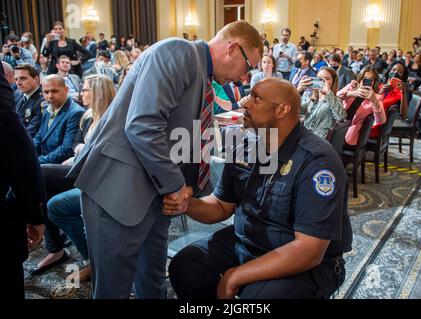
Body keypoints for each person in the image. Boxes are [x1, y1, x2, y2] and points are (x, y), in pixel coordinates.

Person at [68, 20, 263, 299]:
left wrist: (187, 191)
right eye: (248, 67)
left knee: (152, 281)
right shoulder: (178, 52)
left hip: (157, 194)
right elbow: (143, 125)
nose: (246, 78)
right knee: (114, 288)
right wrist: (176, 186)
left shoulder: (203, 75)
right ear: (233, 48)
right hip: (119, 189)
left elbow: (183, 135)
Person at [167, 78, 352, 299]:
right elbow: (220, 205)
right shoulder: (245, 145)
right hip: (249, 242)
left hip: (304, 259)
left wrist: (235, 275)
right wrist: (186, 203)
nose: (245, 103)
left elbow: (309, 250)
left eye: (256, 98)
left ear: (282, 109)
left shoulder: (317, 161)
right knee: (186, 265)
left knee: (259, 298)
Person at [31, 75, 117, 282]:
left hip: (98, 178)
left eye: (86, 90)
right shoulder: (87, 115)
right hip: (80, 168)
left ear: (98, 93)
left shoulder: (111, 119)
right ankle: (63, 250)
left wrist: (81, 153)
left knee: (39, 173)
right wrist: (82, 152)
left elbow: (97, 154)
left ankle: (91, 258)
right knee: (48, 196)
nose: (81, 93)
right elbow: (77, 145)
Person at [1, 62, 46, 299]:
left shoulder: (37, 103)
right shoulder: (15, 101)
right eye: (14, 79)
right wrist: (35, 215)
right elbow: (18, 145)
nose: (17, 83)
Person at [337, 66, 386, 146]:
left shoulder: (377, 97)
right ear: (360, 78)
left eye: (371, 79)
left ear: (374, 82)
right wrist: (351, 93)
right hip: (338, 124)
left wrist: (374, 101)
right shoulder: (352, 87)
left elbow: (381, 121)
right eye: (364, 78)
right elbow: (336, 96)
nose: (367, 81)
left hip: (351, 133)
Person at [298, 67, 346, 138]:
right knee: (277, 135)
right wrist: (298, 90)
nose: (322, 82)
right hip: (304, 138)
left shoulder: (336, 101)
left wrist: (328, 92)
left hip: (317, 143)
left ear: (333, 82)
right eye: (319, 78)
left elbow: (341, 117)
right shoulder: (313, 100)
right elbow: (296, 110)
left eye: (326, 79)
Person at [14, 63, 44, 138]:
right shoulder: (17, 94)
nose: (18, 83)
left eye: (23, 78)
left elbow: (30, 132)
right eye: (16, 79)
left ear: (36, 79)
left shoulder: (42, 101)